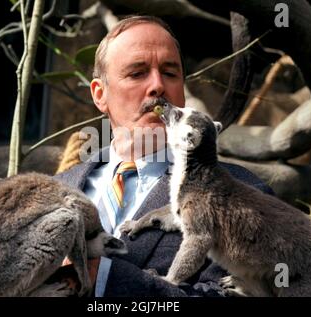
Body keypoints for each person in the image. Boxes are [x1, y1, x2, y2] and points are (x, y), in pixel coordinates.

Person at [53, 15, 273, 297]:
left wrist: (109, 279)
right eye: (137, 73)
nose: (158, 85)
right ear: (100, 94)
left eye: (170, 73)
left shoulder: (246, 196)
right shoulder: (56, 188)